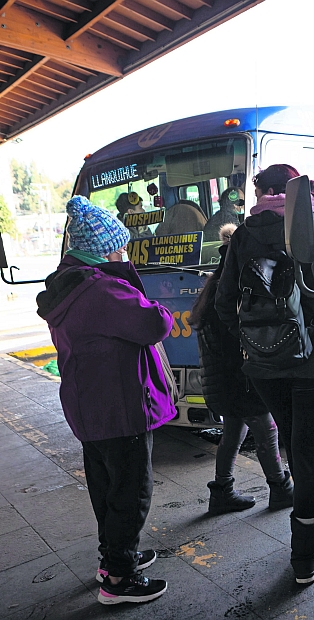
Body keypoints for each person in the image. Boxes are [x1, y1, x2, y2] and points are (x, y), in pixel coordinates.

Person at [214, 164, 314, 585]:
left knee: (294, 441)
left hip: (265, 365)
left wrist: (258, 341)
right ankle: (304, 549)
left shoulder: (243, 237)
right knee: (309, 449)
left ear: (261, 194)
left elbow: (224, 303)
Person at [36, 196, 174, 605]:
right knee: (132, 492)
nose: (124, 251)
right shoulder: (102, 289)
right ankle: (119, 579)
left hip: (88, 406)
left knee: (106, 488)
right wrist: (123, 272)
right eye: (120, 246)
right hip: (120, 405)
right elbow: (155, 322)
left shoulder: (68, 283)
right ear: (105, 249)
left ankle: (113, 557)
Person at [190, 222, 294, 514]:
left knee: (234, 432)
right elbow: (238, 343)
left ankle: (222, 491)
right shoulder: (234, 289)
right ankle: (280, 488)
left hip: (224, 382)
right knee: (267, 430)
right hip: (240, 381)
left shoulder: (216, 285)